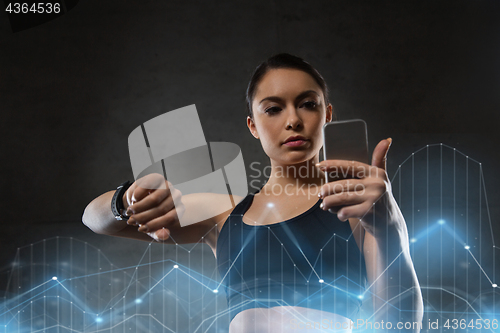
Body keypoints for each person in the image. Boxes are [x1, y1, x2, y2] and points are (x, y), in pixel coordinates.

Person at [83, 53, 423, 332]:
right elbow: (95, 219)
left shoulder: (364, 212)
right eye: (273, 109)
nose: (292, 120)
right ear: (252, 126)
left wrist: (388, 226)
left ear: (327, 114)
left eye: (307, 103)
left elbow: (402, 326)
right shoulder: (224, 214)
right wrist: (128, 198)